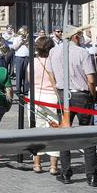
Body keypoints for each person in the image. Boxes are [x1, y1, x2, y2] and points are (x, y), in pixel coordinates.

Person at [50, 25, 97, 185]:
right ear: (76, 37)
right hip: (82, 95)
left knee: (64, 135)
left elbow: (51, 76)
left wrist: (58, 92)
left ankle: (66, 173)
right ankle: (91, 175)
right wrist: (92, 95)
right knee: (88, 136)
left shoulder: (54, 51)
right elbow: (91, 79)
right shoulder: (83, 52)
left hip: (63, 94)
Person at [30, 37, 61, 175]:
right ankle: (53, 166)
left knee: (37, 131)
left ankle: (37, 164)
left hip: (35, 97)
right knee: (54, 132)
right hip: (52, 98)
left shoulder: (32, 62)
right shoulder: (54, 63)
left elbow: (29, 80)